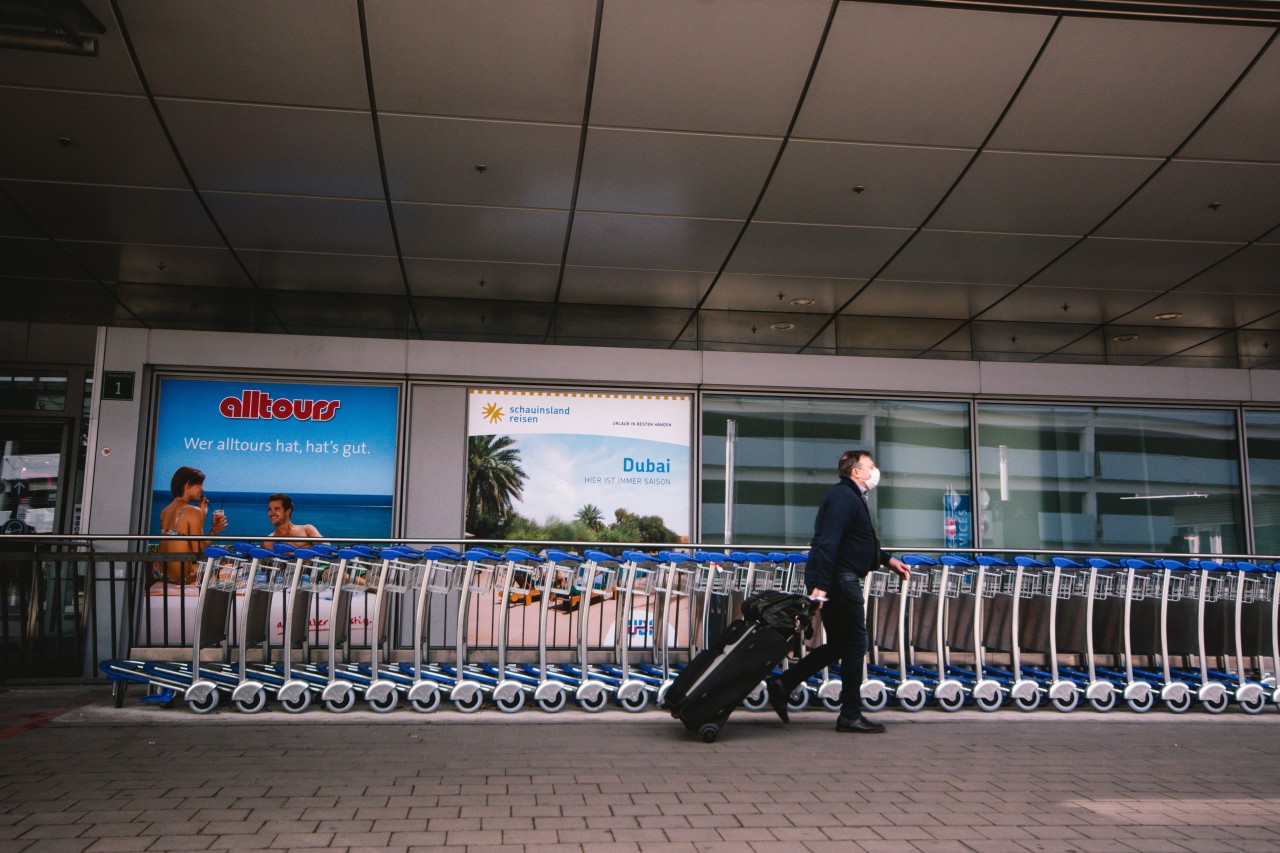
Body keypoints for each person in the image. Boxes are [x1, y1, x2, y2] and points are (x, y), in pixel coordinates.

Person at [766, 450, 909, 733]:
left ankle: (784, 684)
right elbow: (828, 543)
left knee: (841, 645)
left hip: (837, 578)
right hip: (839, 580)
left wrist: (887, 559)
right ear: (856, 472)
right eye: (871, 466)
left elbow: (856, 541)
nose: (875, 470)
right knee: (856, 644)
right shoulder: (844, 498)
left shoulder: (851, 497)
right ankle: (850, 714)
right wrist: (820, 587)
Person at [155, 466, 227, 585]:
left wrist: (201, 516)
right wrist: (214, 531)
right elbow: (200, 550)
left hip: (159, 572)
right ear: (188, 484)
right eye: (199, 484)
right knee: (224, 564)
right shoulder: (193, 511)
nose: (202, 489)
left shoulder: (165, 511)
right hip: (180, 577)